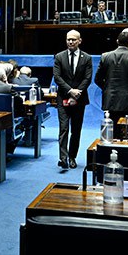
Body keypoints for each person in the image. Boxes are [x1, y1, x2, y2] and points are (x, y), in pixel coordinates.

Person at [53, 29, 92, 169]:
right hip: (63, 97)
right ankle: (62, 158)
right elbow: (57, 77)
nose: (70, 42)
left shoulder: (86, 58)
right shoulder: (59, 56)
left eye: (73, 39)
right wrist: (70, 91)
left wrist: (77, 93)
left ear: (79, 41)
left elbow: (88, 78)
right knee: (63, 129)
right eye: (68, 39)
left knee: (76, 130)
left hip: (79, 99)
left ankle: (72, 157)